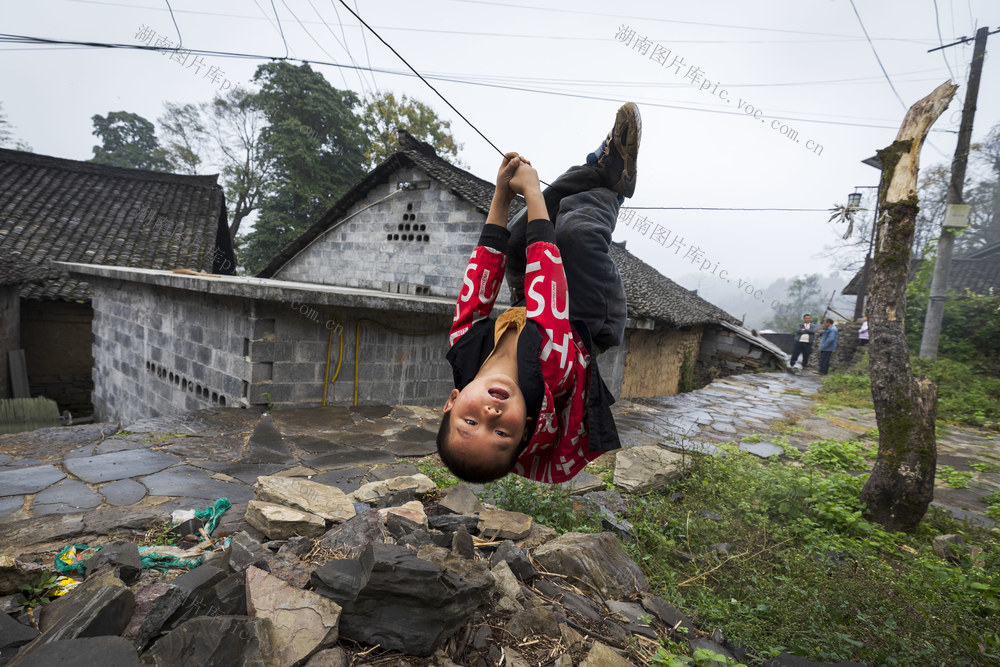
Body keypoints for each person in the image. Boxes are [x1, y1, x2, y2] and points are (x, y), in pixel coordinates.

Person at [437, 103, 640, 484]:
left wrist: (501, 192)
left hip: (529, 305)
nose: (490, 415)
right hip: (586, 318)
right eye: (501, 433)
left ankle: (602, 165)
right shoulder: (549, 369)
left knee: (515, 238)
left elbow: (481, 277)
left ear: (451, 402)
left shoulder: (464, 351)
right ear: (527, 425)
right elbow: (545, 277)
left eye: (469, 420)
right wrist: (531, 188)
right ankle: (612, 190)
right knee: (572, 234)